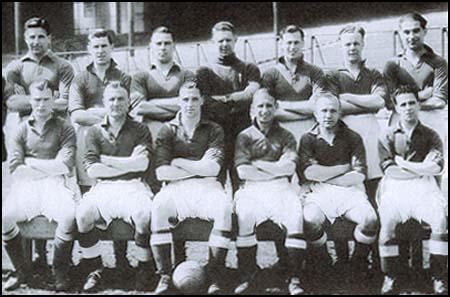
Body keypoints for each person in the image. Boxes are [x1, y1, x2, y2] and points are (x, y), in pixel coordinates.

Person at [150, 81, 232, 295]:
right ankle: (165, 275)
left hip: (208, 186)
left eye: (195, 99)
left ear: (202, 100)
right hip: (176, 187)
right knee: (158, 206)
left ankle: (215, 275)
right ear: (178, 101)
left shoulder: (214, 129)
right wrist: (198, 167)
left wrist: (178, 161)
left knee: (223, 207)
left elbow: (213, 169)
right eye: (185, 99)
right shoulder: (167, 130)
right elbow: (161, 173)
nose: (190, 104)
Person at [4, 17, 75, 261]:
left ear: (50, 38)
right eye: (31, 37)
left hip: (54, 133)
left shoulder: (62, 66)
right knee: (25, 191)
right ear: (25, 38)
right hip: (25, 133)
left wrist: (33, 98)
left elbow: (65, 102)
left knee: (52, 191)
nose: (36, 41)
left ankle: (50, 258)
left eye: (41, 36)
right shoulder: (15, 68)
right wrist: (45, 99)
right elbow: (11, 102)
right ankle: (34, 258)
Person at [75, 82, 154, 292]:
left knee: (144, 216)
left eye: (121, 99)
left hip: (133, 185)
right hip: (104, 187)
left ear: (128, 103)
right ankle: (96, 268)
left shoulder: (140, 129)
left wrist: (107, 160)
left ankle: (145, 267)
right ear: (104, 103)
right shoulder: (93, 131)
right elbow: (92, 171)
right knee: (83, 214)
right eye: (111, 99)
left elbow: (143, 164)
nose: (116, 103)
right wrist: (128, 164)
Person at [2, 79, 78, 291]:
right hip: (26, 184)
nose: (41, 104)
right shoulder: (20, 129)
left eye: (46, 99)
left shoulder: (65, 127)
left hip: (55, 184)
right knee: (4, 216)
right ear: (31, 100)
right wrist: (48, 165)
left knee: (68, 215)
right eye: (37, 99)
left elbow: (65, 166)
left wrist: (32, 162)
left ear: (53, 99)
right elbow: (16, 169)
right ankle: (21, 271)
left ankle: (59, 271)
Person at [299, 92, 379, 287]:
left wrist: (324, 174)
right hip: (320, 193)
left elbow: (359, 175)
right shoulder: (307, 138)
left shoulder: (353, 137)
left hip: (350, 191)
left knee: (370, 220)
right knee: (310, 220)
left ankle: (357, 263)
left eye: (333, 110)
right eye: (324, 111)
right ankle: (324, 262)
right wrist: (343, 168)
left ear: (340, 113)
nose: (328, 115)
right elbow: (309, 173)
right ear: (316, 114)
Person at [69, 28, 132, 272]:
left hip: (118, 142)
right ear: (88, 49)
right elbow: (76, 114)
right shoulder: (80, 78)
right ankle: (91, 260)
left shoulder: (123, 76)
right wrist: (107, 115)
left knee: (119, 194)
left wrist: (97, 113)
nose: (100, 51)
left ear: (112, 48)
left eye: (104, 46)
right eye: (95, 47)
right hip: (91, 141)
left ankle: (121, 258)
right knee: (90, 199)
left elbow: (129, 111)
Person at [233, 89, 306, 295]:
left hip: (281, 187)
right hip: (252, 188)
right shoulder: (244, 136)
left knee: (295, 214)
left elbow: (289, 168)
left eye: (268, 106)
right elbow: (242, 171)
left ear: (275, 108)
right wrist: (274, 169)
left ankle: (294, 278)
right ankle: (247, 275)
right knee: (245, 214)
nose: (264, 111)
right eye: (260, 106)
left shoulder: (286, 135)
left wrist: (258, 164)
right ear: (252, 110)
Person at [326, 24, 387, 270]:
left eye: (356, 43)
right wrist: (363, 103)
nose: (352, 48)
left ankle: (369, 257)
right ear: (341, 47)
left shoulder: (374, 74)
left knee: (372, 198)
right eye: (347, 44)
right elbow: (332, 105)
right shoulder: (332, 76)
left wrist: (348, 98)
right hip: (342, 141)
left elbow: (380, 101)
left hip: (371, 141)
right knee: (343, 195)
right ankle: (342, 258)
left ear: (363, 45)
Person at [377, 86, 447, 295]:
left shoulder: (431, 134)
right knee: (387, 221)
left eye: (412, 103)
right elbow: (390, 171)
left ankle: (439, 277)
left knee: (439, 219)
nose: (408, 108)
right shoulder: (387, 135)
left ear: (418, 105)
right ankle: (390, 276)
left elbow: (436, 167)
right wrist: (420, 169)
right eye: (403, 104)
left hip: (424, 188)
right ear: (397, 108)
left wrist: (405, 164)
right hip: (396, 187)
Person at [383, 12, 448, 184]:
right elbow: (390, 103)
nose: (411, 36)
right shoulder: (392, 65)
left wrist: (406, 102)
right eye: (406, 32)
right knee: (402, 166)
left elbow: (439, 101)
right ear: (400, 34)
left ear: (424, 31)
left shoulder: (438, 62)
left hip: (431, 121)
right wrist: (420, 96)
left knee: (432, 169)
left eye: (416, 31)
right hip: (401, 122)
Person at [196, 21, 261, 191]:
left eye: (228, 40)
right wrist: (235, 101)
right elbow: (204, 100)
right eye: (220, 41)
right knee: (214, 180)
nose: (224, 45)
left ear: (235, 40)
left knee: (242, 179)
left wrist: (224, 99)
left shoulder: (248, 68)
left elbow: (252, 93)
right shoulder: (204, 72)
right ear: (212, 42)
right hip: (214, 133)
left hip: (241, 132)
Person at [130, 26, 193, 194]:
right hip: (151, 130)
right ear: (151, 46)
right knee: (153, 173)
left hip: (180, 128)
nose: (163, 47)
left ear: (174, 46)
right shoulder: (141, 76)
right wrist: (176, 103)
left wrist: (153, 102)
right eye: (158, 43)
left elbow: (188, 104)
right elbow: (139, 107)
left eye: (167, 43)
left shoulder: (186, 75)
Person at [262, 24, 327, 143]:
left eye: (296, 43)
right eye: (288, 43)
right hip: (280, 133)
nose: (292, 47)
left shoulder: (315, 72)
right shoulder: (269, 74)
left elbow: (318, 106)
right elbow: (268, 112)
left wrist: (282, 105)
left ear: (303, 43)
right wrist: (307, 111)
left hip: (311, 131)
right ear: (281, 43)